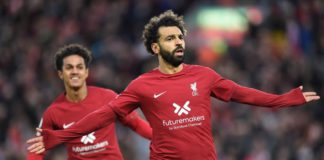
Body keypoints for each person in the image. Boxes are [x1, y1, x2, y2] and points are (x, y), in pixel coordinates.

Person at [27, 10, 320, 160]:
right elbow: (102, 115)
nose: (179, 42)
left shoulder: (204, 75)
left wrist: (285, 99)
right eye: (170, 38)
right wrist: (60, 137)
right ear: (155, 47)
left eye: (180, 36)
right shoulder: (142, 85)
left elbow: (243, 94)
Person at [27, 44, 152, 160]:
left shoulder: (108, 97)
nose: (75, 72)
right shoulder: (53, 112)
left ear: (86, 72)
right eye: (69, 68)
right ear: (61, 74)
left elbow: (135, 123)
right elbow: (37, 150)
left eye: (80, 67)